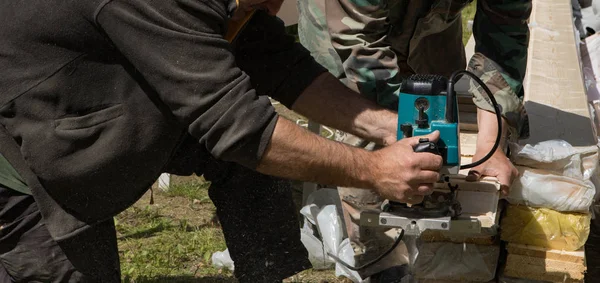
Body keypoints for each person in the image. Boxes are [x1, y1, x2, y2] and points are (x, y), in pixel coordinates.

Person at [0, 0, 446, 282]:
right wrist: (374, 171)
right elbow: (238, 126)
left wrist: (388, 126)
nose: (276, 8)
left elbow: (282, 64)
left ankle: (269, 274)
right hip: (24, 148)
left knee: (251, 165)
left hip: (105, 107)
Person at [297, 0, 531, 280]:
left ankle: (430, 251)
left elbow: (503, 35)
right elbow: (361, 44)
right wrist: (396, 138)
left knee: (437, 115)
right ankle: (378, 256)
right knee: (367, 134)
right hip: (349, 31)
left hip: (432, 31)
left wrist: (490, 145)